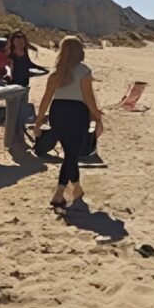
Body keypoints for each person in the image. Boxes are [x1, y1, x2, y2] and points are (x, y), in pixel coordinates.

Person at [35, 36, 104, 207]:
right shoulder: (83, 71)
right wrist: (98, 116)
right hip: (77, 113)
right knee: (71, 154)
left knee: (70, 153)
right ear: (79, 51)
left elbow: (46, 99)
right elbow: (89, 98)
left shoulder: (56, 74)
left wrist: (38, 122)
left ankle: (77, 188)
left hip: (58, 112)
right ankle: (59, 193)